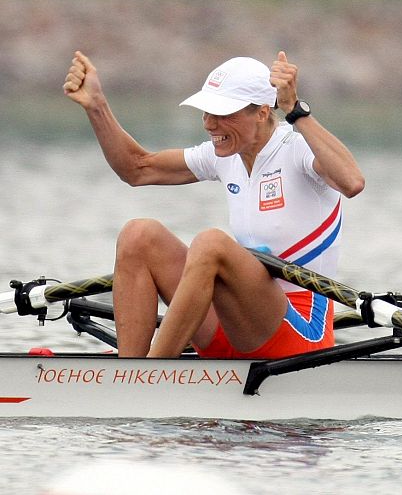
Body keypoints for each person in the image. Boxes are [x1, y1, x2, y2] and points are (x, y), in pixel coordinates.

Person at [62, 50, 364, 359]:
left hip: (300, 333)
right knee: (138, 235)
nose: (209, 124)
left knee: (210, 244)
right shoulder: (224, 156)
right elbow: (136, 169)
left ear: (261, 112)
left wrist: (294, 110)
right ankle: (129, 371)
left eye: (222, 114)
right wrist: (96, 106)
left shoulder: (298, 150)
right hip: (236, 326)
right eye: (206, 112)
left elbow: (352, 182)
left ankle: (148, 377)